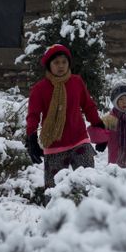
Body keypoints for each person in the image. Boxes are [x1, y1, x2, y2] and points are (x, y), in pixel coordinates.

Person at [26, 44, 104, 188]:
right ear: (49, 65)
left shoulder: (76, 82)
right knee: (54, 190)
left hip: (79, 140)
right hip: (54, 145)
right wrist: (31, 138)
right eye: (56, 62)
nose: (61, 66)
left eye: (64, 62)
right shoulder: (40, 89)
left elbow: (88, 106)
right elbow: (33, 115)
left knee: (88, 184)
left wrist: (99, 128)